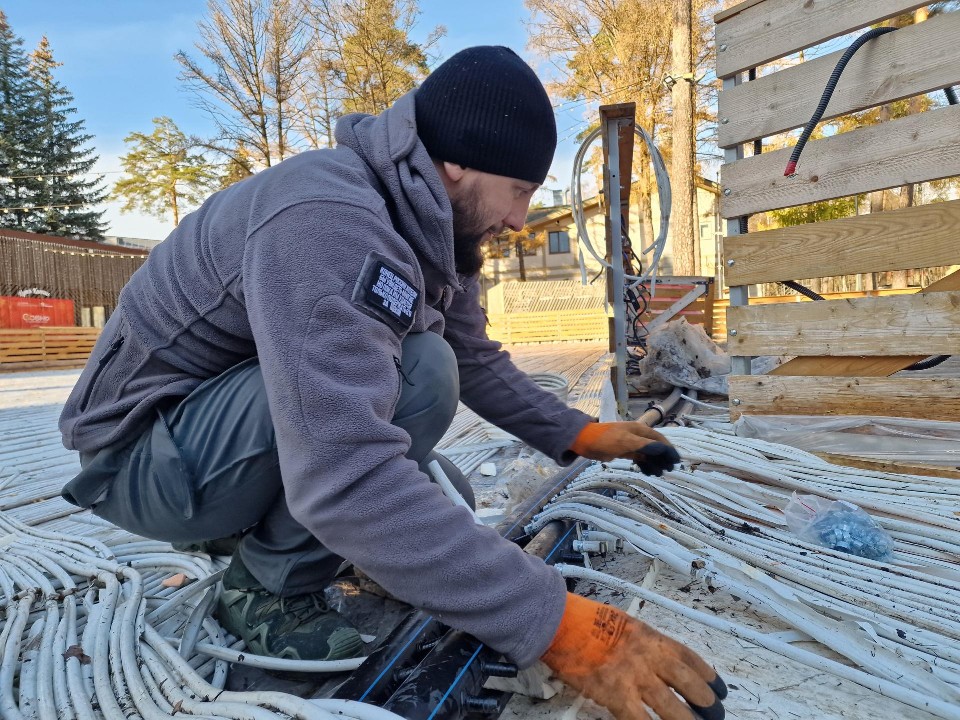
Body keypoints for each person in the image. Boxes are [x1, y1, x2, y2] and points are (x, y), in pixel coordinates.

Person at [59, 46, 726, 720]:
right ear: (459, 162)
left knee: (435, 441)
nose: (523, 219)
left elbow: (473, 358)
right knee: (417, 382)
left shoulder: (431, 229)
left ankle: (250, 528)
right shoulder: (326, 217)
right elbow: (344, 474)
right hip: (142, 462)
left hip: (207, 443)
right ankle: (267, 590)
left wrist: (579, 433)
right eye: (520, 190)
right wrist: (553, 624)